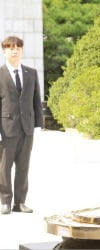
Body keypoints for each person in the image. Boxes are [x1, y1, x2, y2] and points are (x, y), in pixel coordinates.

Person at [0, 36, 43, 214]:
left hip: (27, 128)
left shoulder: (31, 73)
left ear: (22, 50)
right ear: (4, 51)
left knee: (23, 166)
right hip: (6, 128)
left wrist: (38, 125)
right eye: (10, 48)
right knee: (4, 166)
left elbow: (36, 100)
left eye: (18, 47)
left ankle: (20, 202)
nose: (14, 50)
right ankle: (5, 201)